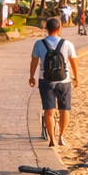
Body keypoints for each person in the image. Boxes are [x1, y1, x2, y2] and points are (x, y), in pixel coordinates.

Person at [29, 17, 80, 147]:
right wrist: (76, 77)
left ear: (46, 29)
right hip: (64, 80)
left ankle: (51, 139)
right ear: (59, 28)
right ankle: (61, 136)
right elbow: (73, 61)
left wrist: (31, 77)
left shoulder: (39, 44)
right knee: (64, 109)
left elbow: (34, 61)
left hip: (45, 79)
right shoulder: (67, 44)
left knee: (49, 110)